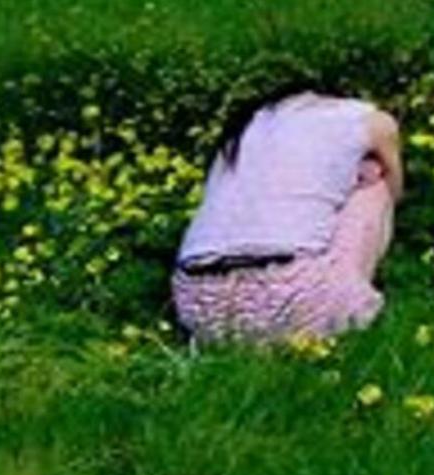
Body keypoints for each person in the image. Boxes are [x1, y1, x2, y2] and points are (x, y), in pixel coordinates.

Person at [173, 83, 403, 344]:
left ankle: (241, 341)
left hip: (198, 308)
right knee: (377, 183)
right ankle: (354, 306)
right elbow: (395, 190)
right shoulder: (360, 117)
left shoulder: (241, 130)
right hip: (294, 298)